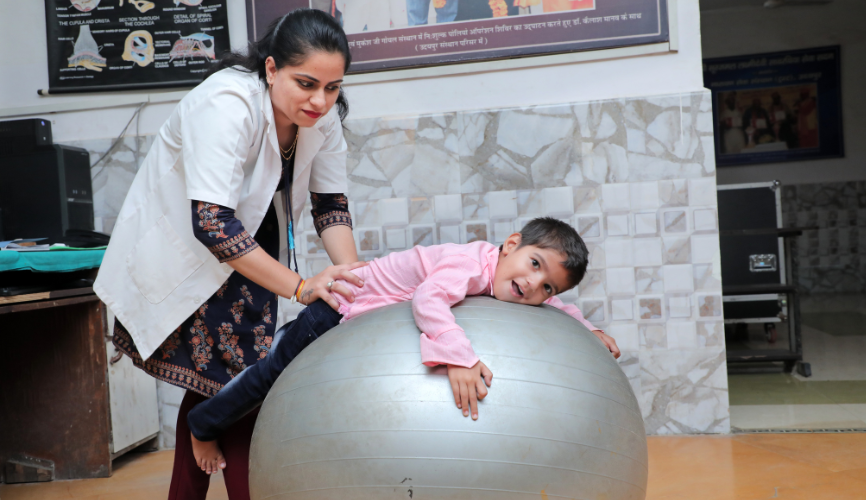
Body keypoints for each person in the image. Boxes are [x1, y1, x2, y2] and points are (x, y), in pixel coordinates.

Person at [94, 9, 364, 500]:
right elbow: (213, 225)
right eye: (306, 83)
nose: (321, 100)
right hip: (195, 255)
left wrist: (354, 279)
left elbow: (331, 203)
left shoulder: (321, 117)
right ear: (270, 68)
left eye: (332, 87)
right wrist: (304, 287)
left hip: (253, 254)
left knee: (221, 390)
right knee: (239, 389)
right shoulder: (226, 103)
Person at [187, 217, 620, 474]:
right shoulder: (469, 266)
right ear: (510, 246)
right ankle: (203, 423)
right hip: (337, 308)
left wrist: (586, 331)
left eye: (546, 286)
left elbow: (558, 306)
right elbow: (428, 299)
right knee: (272, 374)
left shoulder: (511, 275)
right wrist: (459, 358)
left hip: (365, 321)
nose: (532, 285)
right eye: (534, 264)